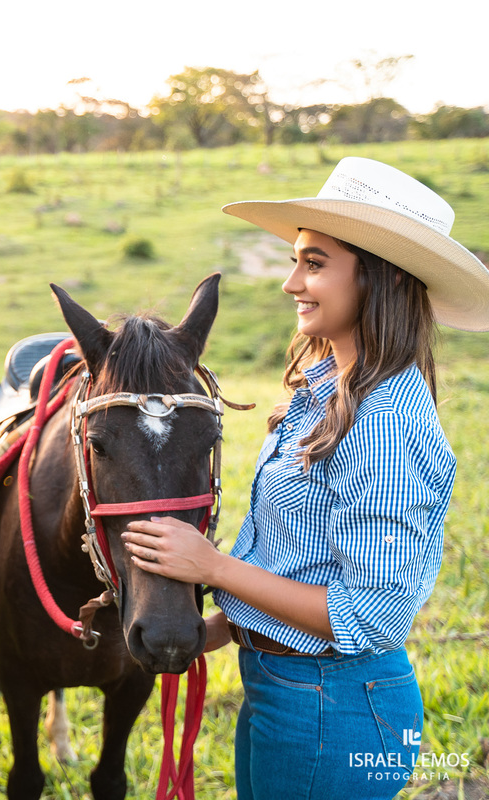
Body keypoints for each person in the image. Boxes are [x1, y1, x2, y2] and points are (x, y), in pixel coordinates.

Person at [120, 157, 489, 799]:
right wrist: (214, 628)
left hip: (331, 709)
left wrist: (213, 568)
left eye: (314, 264)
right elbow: (305, 560)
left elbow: (368, 617)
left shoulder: (384, 421)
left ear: (379, 278)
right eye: (296, 261)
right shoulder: (326, 393)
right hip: (291, 691)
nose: (292, 283)